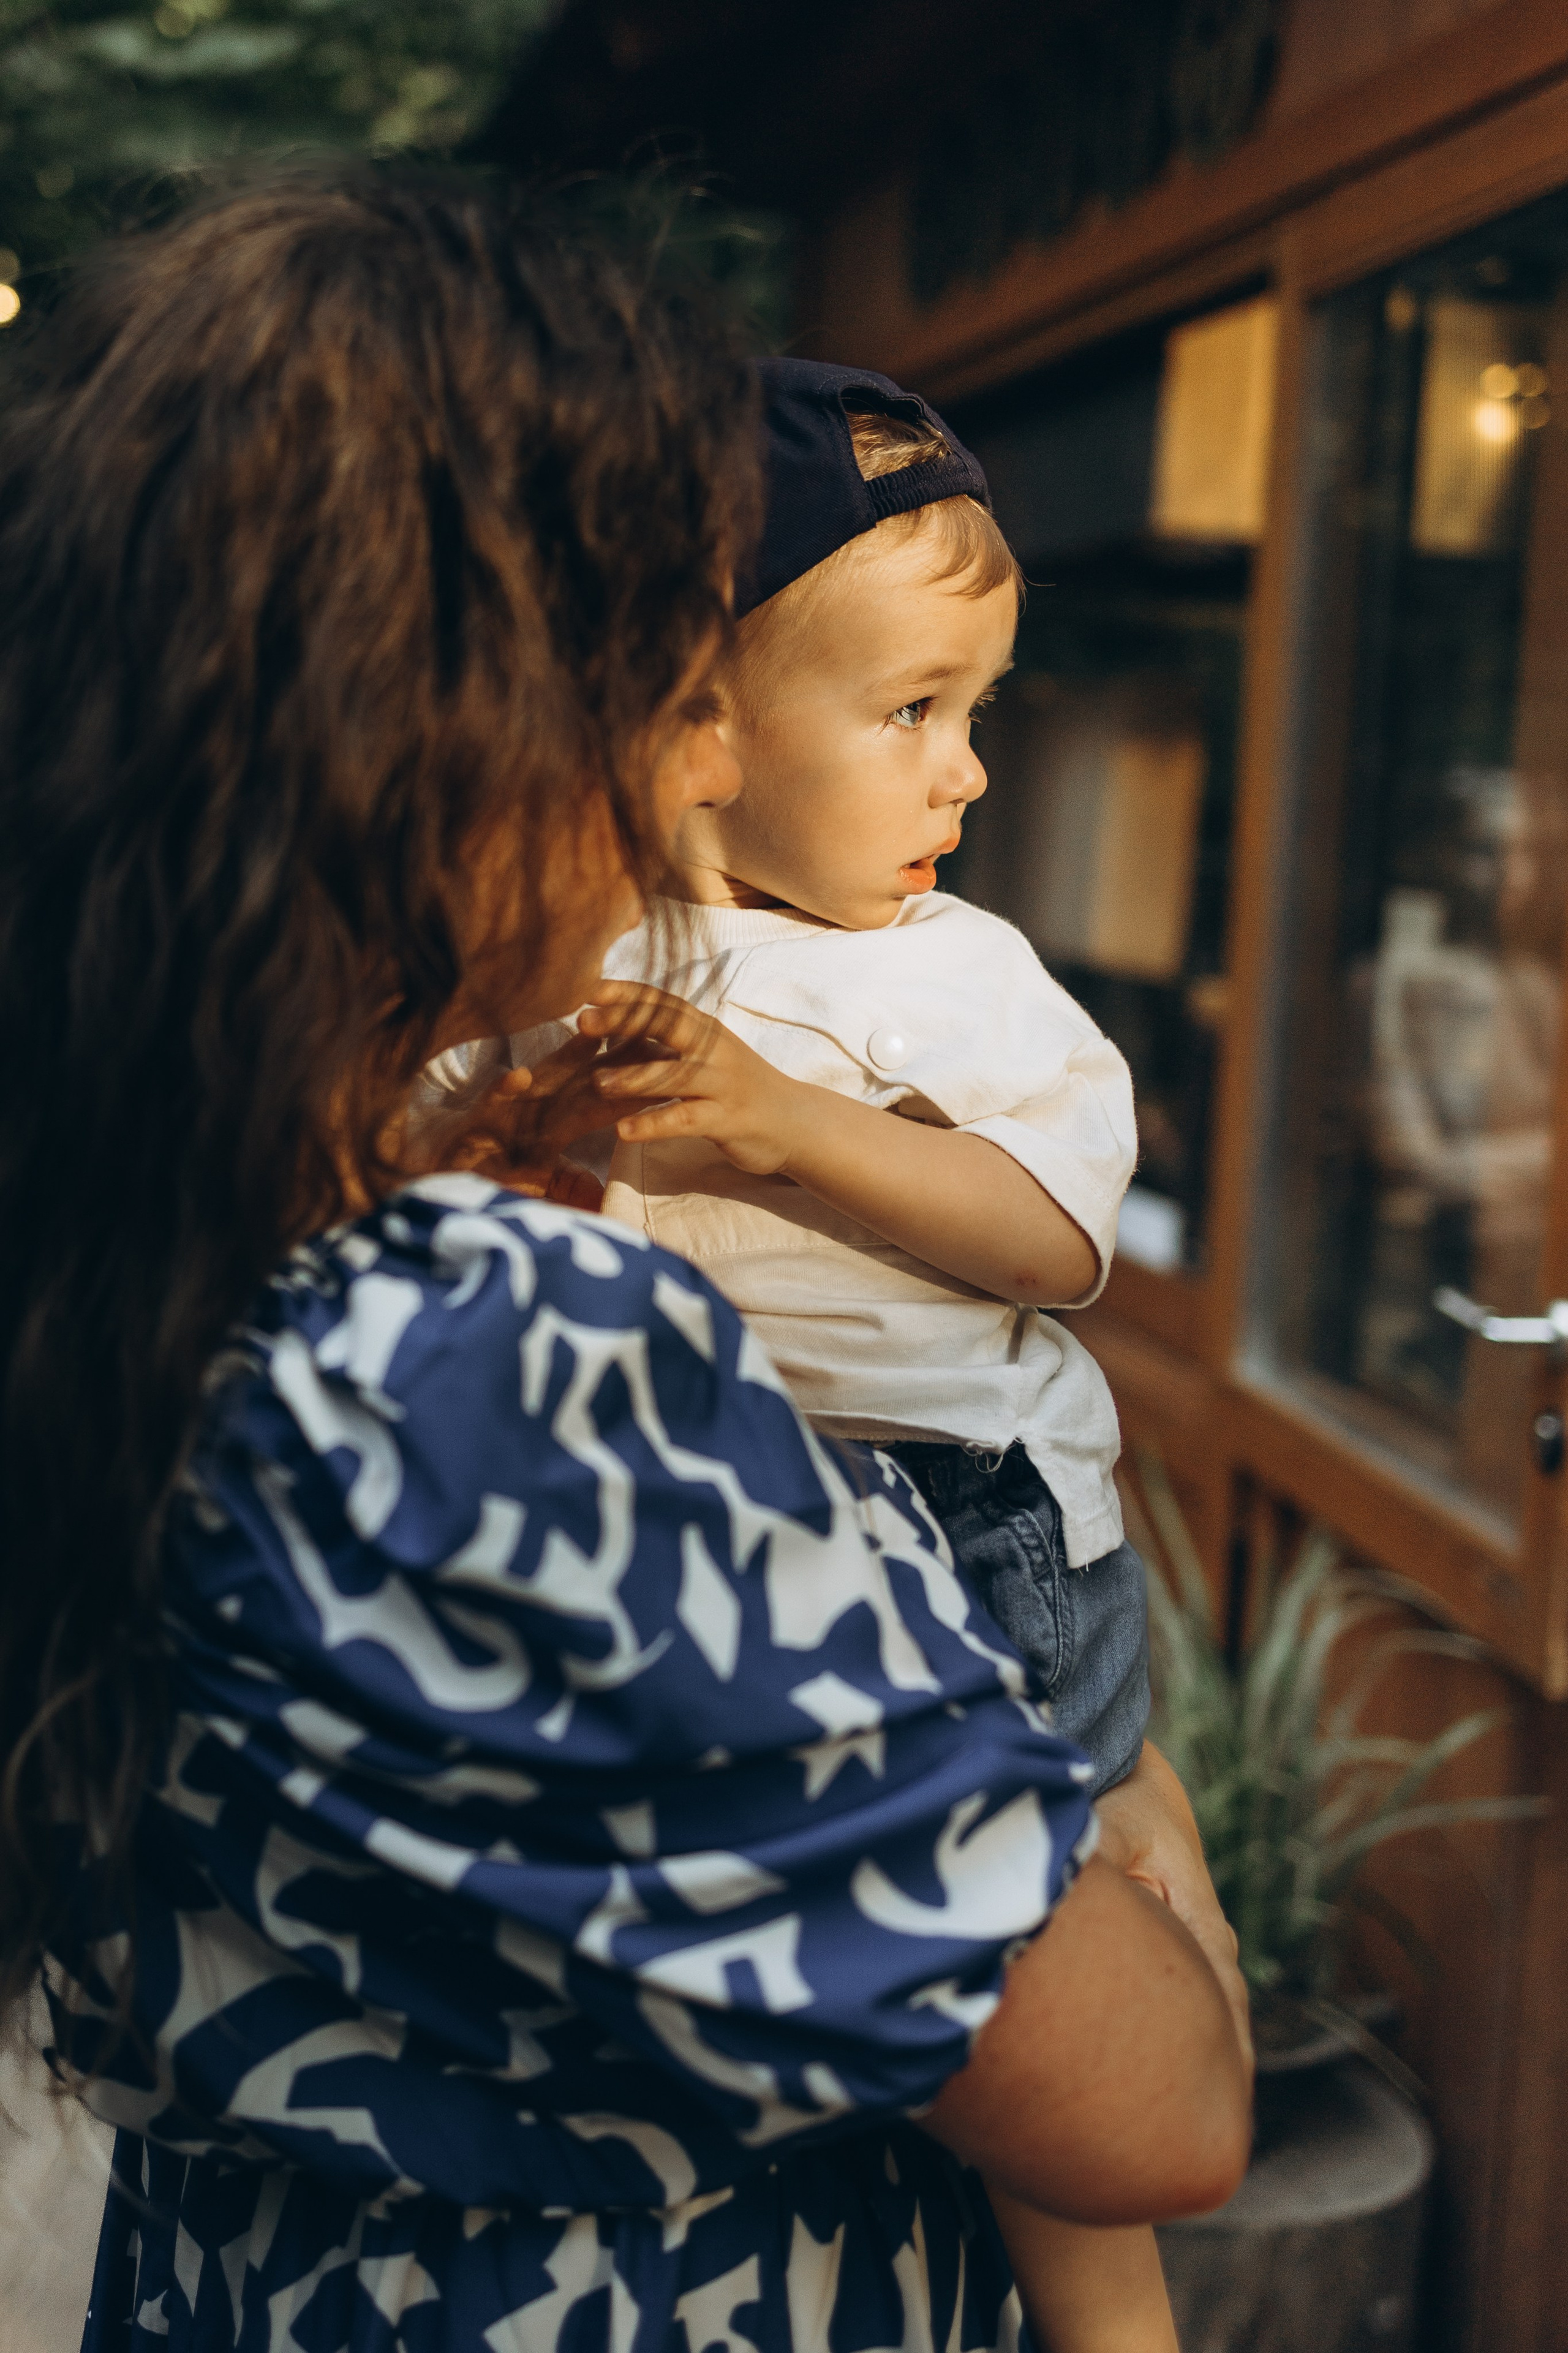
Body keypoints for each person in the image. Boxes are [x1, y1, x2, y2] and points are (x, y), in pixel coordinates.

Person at [0, 175, 1250, 2352]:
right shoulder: (478, 1350)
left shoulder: (130, 1223)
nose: (696, 764)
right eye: (663, 676)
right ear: (449, 726)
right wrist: (1145, 1837)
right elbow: (1153, 2103)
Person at [514, 360, 1246, 2349]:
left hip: (978, 1520)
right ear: (695, 719)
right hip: (743, 1524)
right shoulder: (598, 940)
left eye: (976, 712)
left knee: (1051, 2051)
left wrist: (789, 1128)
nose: (969, 773)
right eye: (913, 710)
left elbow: (1058, 1238)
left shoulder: (951, 971)